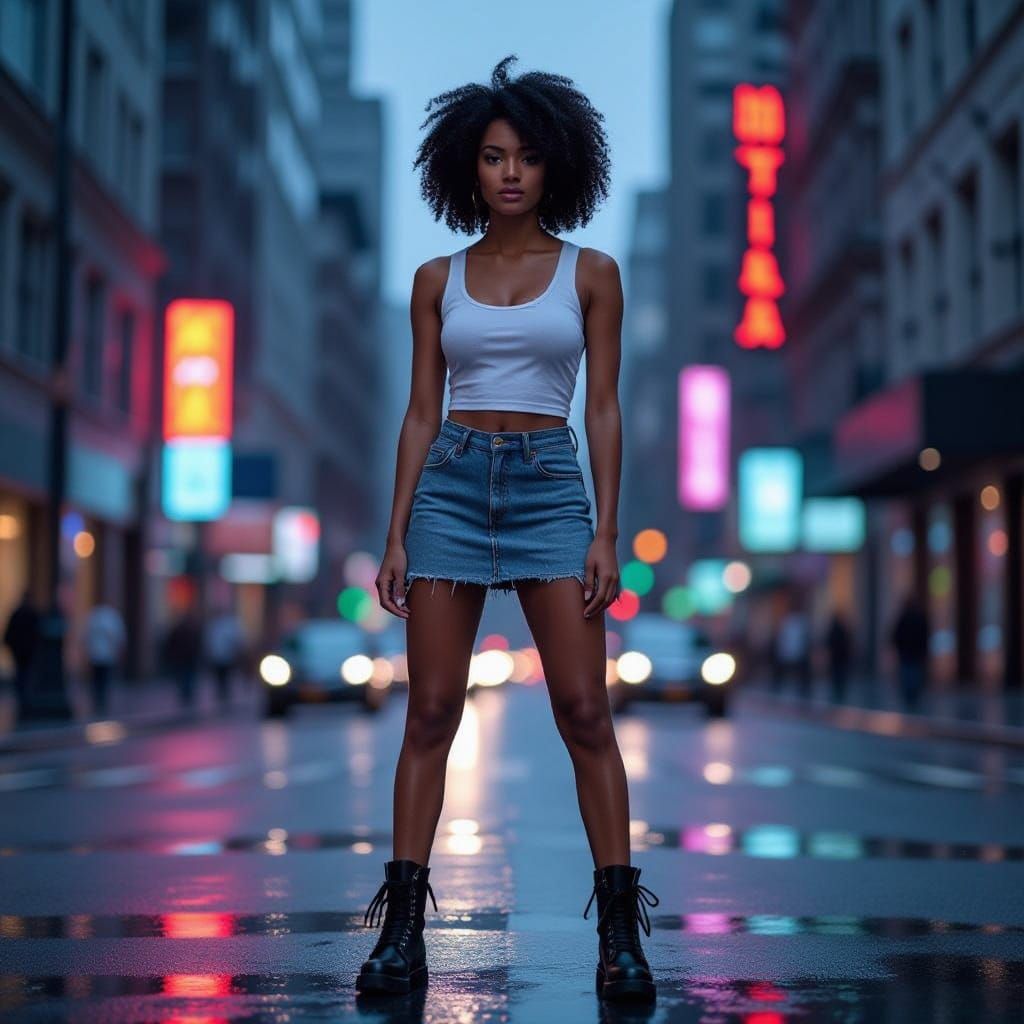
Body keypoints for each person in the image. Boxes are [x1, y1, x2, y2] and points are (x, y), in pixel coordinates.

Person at [360, 55, 659, 1004]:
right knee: (432, 715)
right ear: (466, 169)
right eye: (493, 157)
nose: (511, 173)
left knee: (584, 713)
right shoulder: (434, 278)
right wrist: (398, 530)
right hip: (450, 487)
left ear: (557, 165)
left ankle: (620, 936)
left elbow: (602, 410)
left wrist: (607, 532)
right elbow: (418, 410)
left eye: (528, 156)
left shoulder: (593, 273)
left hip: (547, 490)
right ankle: (402, 933)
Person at [83, 602, 126, 717]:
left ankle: (99, 701)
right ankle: (100, 702)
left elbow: (86, 636)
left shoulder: (95, 617)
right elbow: (119, 637)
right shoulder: (111, 617)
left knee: (99, 680)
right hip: (103, 655)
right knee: (102, 680)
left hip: (99, 655)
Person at [3, 591, 40, 717]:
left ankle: (23, 698)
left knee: (21, 674)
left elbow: (8, 634)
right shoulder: (32, 614)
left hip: (20, 650)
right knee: (26, 674)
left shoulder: (19, 613)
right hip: (27, 651)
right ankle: (25, 699)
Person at [889, 593, 929, 710]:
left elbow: (895, 634)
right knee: (914, 674)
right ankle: (913, 696)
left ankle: (909, 696)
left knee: (908, 674)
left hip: (907, 652)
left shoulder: (904, 617)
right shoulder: (919, 616)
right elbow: (925, 634)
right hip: (915, 652)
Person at [162, 608, 203, 710]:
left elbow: (170, 643)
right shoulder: (191, 630)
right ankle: (186, 692)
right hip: (185, 657)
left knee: (185, 675)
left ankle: (186, 692)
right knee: (186, 675)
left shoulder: (186, 630)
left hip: (185, 657)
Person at [204, 608, 244, 707]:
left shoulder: (229, 625)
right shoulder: (214, 625)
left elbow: (236, 639)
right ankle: (221, 692)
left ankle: (224, 692)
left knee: (225, 675)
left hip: (227, 656)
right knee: (218, 675)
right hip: (217, 656)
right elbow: (209, 640)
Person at [774, 602, 812, 699]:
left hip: (795, 653)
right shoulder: (790, 621)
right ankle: (778, 691)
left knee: (800, 676)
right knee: (784, 675)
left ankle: (801, 693)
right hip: (791, 652)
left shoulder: (800, 621)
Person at [824, 611, 853, 703]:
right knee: (839, 675)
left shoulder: (836, 629)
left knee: (837, 675)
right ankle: (839, 691)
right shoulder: (842, 629)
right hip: (840, 657)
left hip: (837, 657)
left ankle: (838, 691)